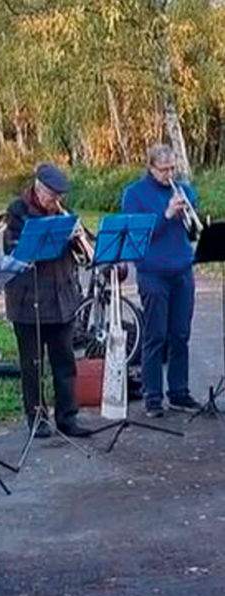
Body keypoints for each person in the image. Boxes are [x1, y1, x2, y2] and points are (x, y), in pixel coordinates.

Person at [3, 163, 91, 438]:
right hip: (29, 300)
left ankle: (68, 417)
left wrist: (80, 237)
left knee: (65, 362)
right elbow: (14, 249)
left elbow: (88, 251)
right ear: (38, 188)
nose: (56, 202)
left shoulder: (64, 213)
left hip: (62, 298)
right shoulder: (17, 210)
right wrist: (56, 236)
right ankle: (37, 417)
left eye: (58, 197)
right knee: (33, 365)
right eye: (51, 196)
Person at [121, 144, 201, 417]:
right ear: (151, 168)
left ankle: (179, 392)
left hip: (181, 269)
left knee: (180, 334)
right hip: (153, 272)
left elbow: (192, 230)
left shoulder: (184, 191)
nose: (169, 174)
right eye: (163, 169)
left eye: (172, 169)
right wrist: (166, 215)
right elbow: (138, 233)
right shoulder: (134, 195)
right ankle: (152, 397)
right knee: (156, 336)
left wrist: (189, 218)